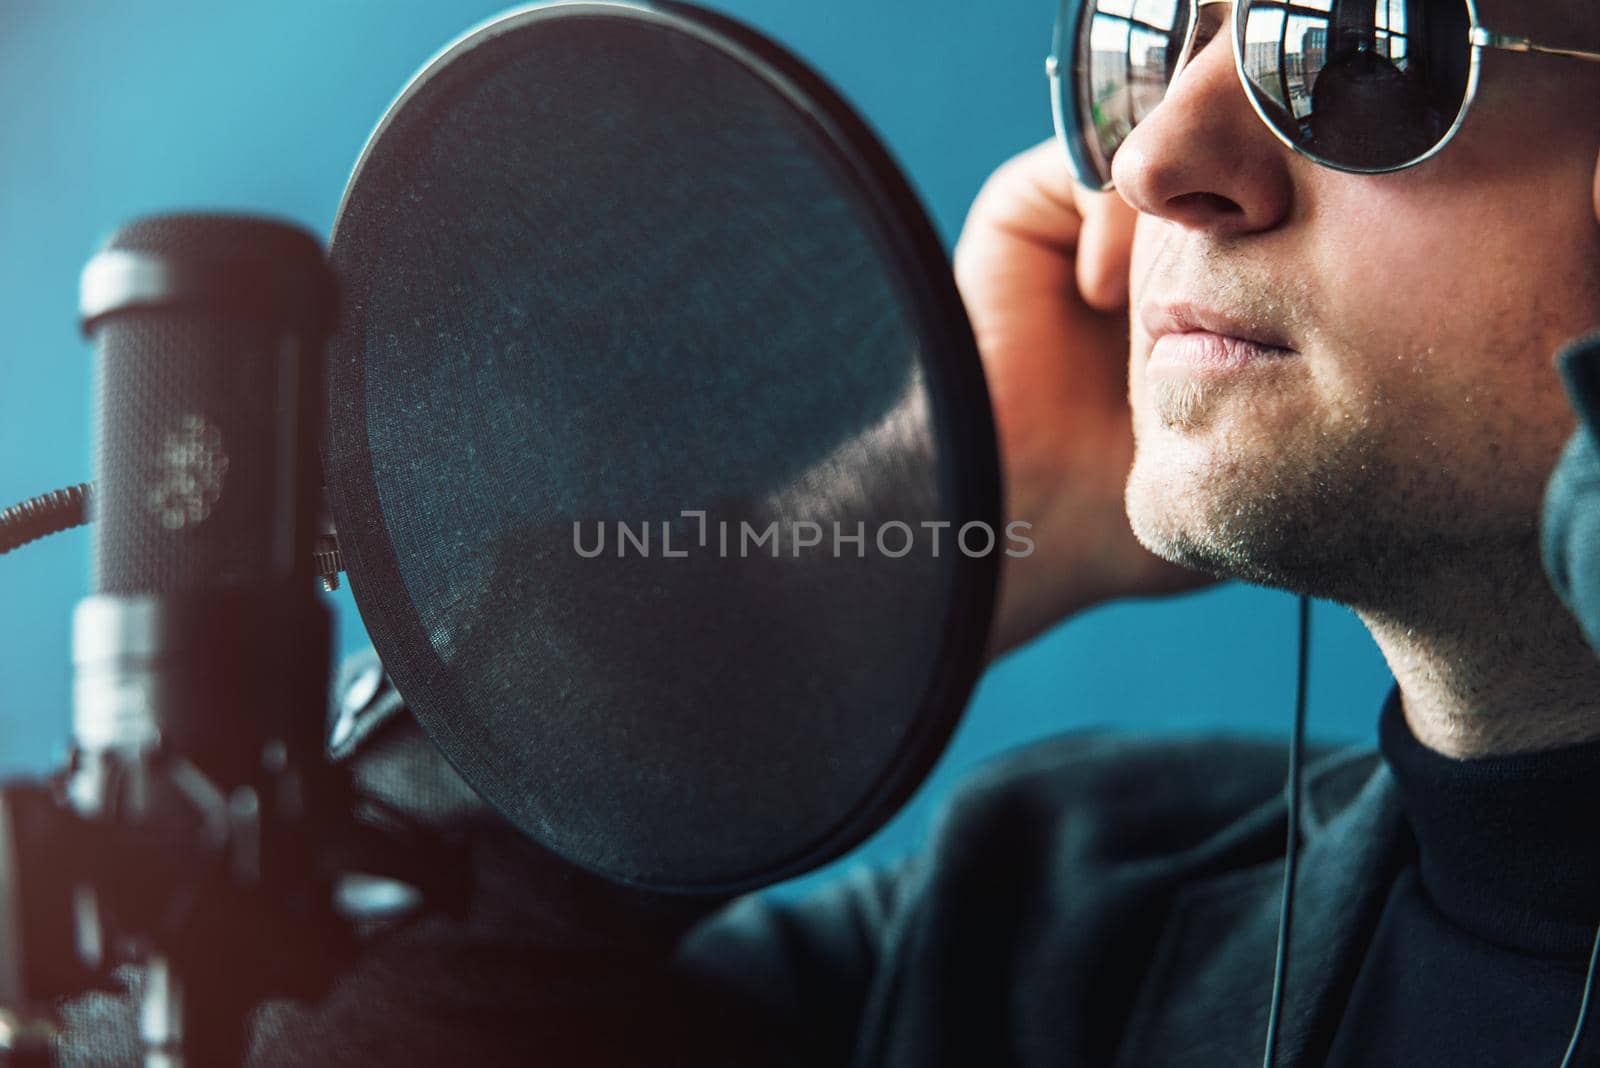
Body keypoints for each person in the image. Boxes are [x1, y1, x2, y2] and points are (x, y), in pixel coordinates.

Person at [54, 0, 1600, 1064]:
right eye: (1148, 36)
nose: (1151, 160)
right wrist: (914, 521)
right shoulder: (1042, 933)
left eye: (1345, 41)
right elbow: (233, 1022)